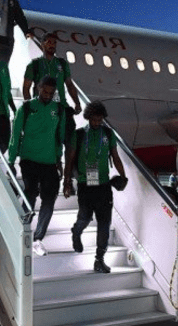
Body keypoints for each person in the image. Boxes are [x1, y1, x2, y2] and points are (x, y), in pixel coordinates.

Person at [63, 101, 126, 273]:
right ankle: (76, 231)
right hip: (85, 185)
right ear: (88, 117)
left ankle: (99, 259)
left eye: (100, 120)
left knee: (104, 223)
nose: (97, 123)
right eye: (94, 120)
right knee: (85, 218)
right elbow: (70, 159)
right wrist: (67, 182)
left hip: (104, 185)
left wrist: (123, 175)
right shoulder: (79, 135)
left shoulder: (108, 133)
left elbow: (115, 156)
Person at [9, 76, 65, 256]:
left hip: (49, 162)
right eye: (44, 91)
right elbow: (15, 135)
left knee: (49, 200)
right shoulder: (26, 108)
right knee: (30, 195)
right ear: (38, 88)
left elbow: (59, 137)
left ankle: (38, 239)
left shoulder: (58, 109)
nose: (47, 95)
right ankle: (21, 232)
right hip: (29, 159)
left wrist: (59, 160)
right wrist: (11, 161)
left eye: (51, 93)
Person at [23, 32, 82, 147]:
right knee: (46, 142)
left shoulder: (62, 63)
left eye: (54, 43)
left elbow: (69, 84)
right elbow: (26, 88)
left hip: (62, 107)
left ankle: (67, 159)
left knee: (70, 141)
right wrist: (31, 107)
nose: (52, 45)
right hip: (42, 109)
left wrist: (77, 103)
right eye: (49, 42)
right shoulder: (34, 64)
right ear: (42, 44)